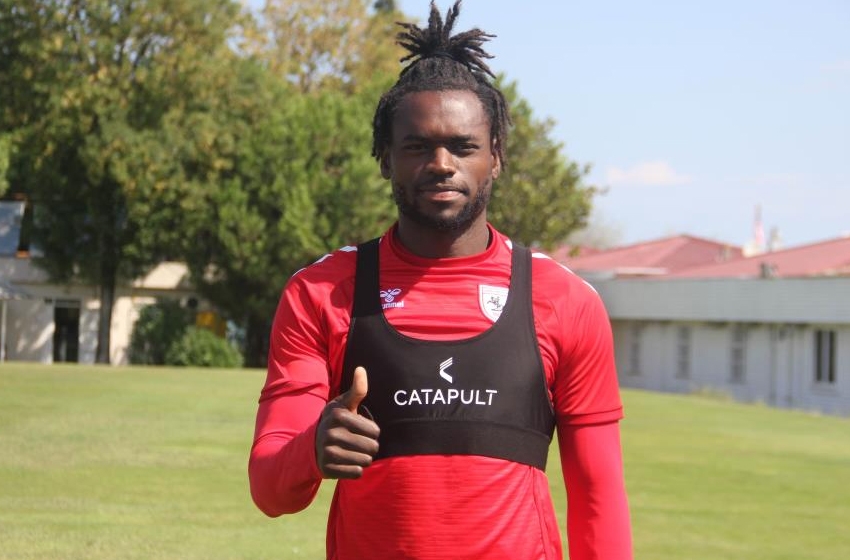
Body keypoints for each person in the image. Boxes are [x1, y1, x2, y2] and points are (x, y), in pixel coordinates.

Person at [248, 1, 633, 558]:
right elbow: (269, 489)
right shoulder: (321, 293)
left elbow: (598, 496)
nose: (442, 163)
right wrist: (311, 448)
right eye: (418, 146)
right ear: (385, 158)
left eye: (463, 146)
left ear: (495, 157)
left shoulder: (565, 300)